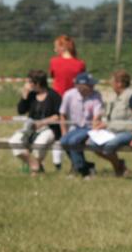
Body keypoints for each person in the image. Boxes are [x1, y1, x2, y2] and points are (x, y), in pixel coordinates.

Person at [88, 70, 132, 177]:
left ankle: (118, 168)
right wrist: (102, 125)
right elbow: (114, 119)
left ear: (119, 83)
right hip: (112, 131)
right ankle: (119, 165)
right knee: (91, 143)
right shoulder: (115, 98)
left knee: (110, 145)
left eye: (112, 81)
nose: (111, 84)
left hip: (128, 132)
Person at [8, 70, 62, 175]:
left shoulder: (54, 96)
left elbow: (57, 116)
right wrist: (24, 95)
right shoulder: (31, 95)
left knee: (39, 144)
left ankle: (35, 172)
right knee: (14, 141)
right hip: (31, 127)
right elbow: (21, 111)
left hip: (49, 128)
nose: (27, 84)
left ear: (37, 83)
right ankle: (36, 165)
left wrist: (42, 123)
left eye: (29, 82)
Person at [48, 35, 86, 171]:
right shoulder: (80, 64)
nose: (54, 49)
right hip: (75, 102)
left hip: (56, 100)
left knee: (58, 133)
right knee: (73, 132)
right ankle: (75, 163)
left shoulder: (54, 62)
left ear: (62, 47)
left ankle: (58, 163)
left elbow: (53, 76)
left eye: (56, 47)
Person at [59, 71, 104, 178]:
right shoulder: (69, 95)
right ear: (81, 87)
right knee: (64, 141)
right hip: (75, 127)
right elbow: (62, 114)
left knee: (74, 141)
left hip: (89, 127)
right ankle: (86, 166)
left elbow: (97, 116)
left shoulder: (96, 95)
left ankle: (82, 170)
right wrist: (64, 132)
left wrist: (93, 131)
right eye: (90, 85)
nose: (93, 86)